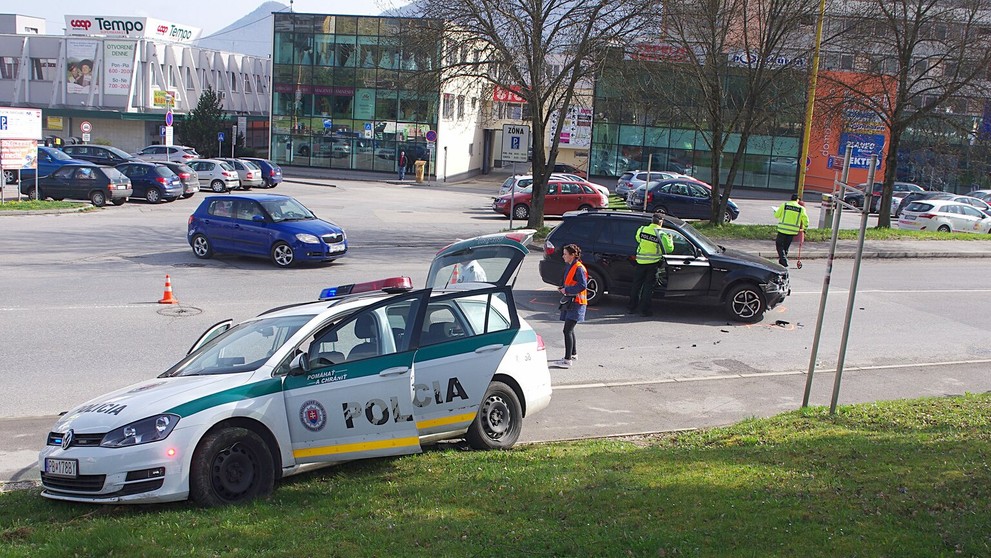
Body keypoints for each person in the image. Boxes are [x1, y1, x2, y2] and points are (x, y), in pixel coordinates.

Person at [627, 212, 674, 317]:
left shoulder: (642, 229)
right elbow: (669, 249)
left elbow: (638, 239)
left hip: (640, 262)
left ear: (652, 220)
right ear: (661, 222)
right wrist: (670, 240)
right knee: (648, 287)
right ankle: (644, 310)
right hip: (653, 264)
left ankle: (631, 307)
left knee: (636, 285)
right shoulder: (661, 234)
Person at [552, 244, 587, 369]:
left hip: (576, 302)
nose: (563, 256)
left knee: (567, 330)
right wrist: (564, 288)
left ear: (572, 255)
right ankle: (573, 354)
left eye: (565, 254)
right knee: (570, 330)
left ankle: (567, 360)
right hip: (572, 301)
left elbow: (583, 285)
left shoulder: (579, 268)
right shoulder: (572, 266)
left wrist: (567, 290)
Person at [774, 193, 809, 267]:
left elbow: (777, 215)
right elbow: (805, 219)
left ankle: (783, 260)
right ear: (798, 200)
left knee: (779, 244)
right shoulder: (801, 208)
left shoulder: (785, 205)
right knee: (786, 246)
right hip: (792, 231)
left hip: (782, 229)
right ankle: (782, 261)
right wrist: (805, 228)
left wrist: (775, 211)